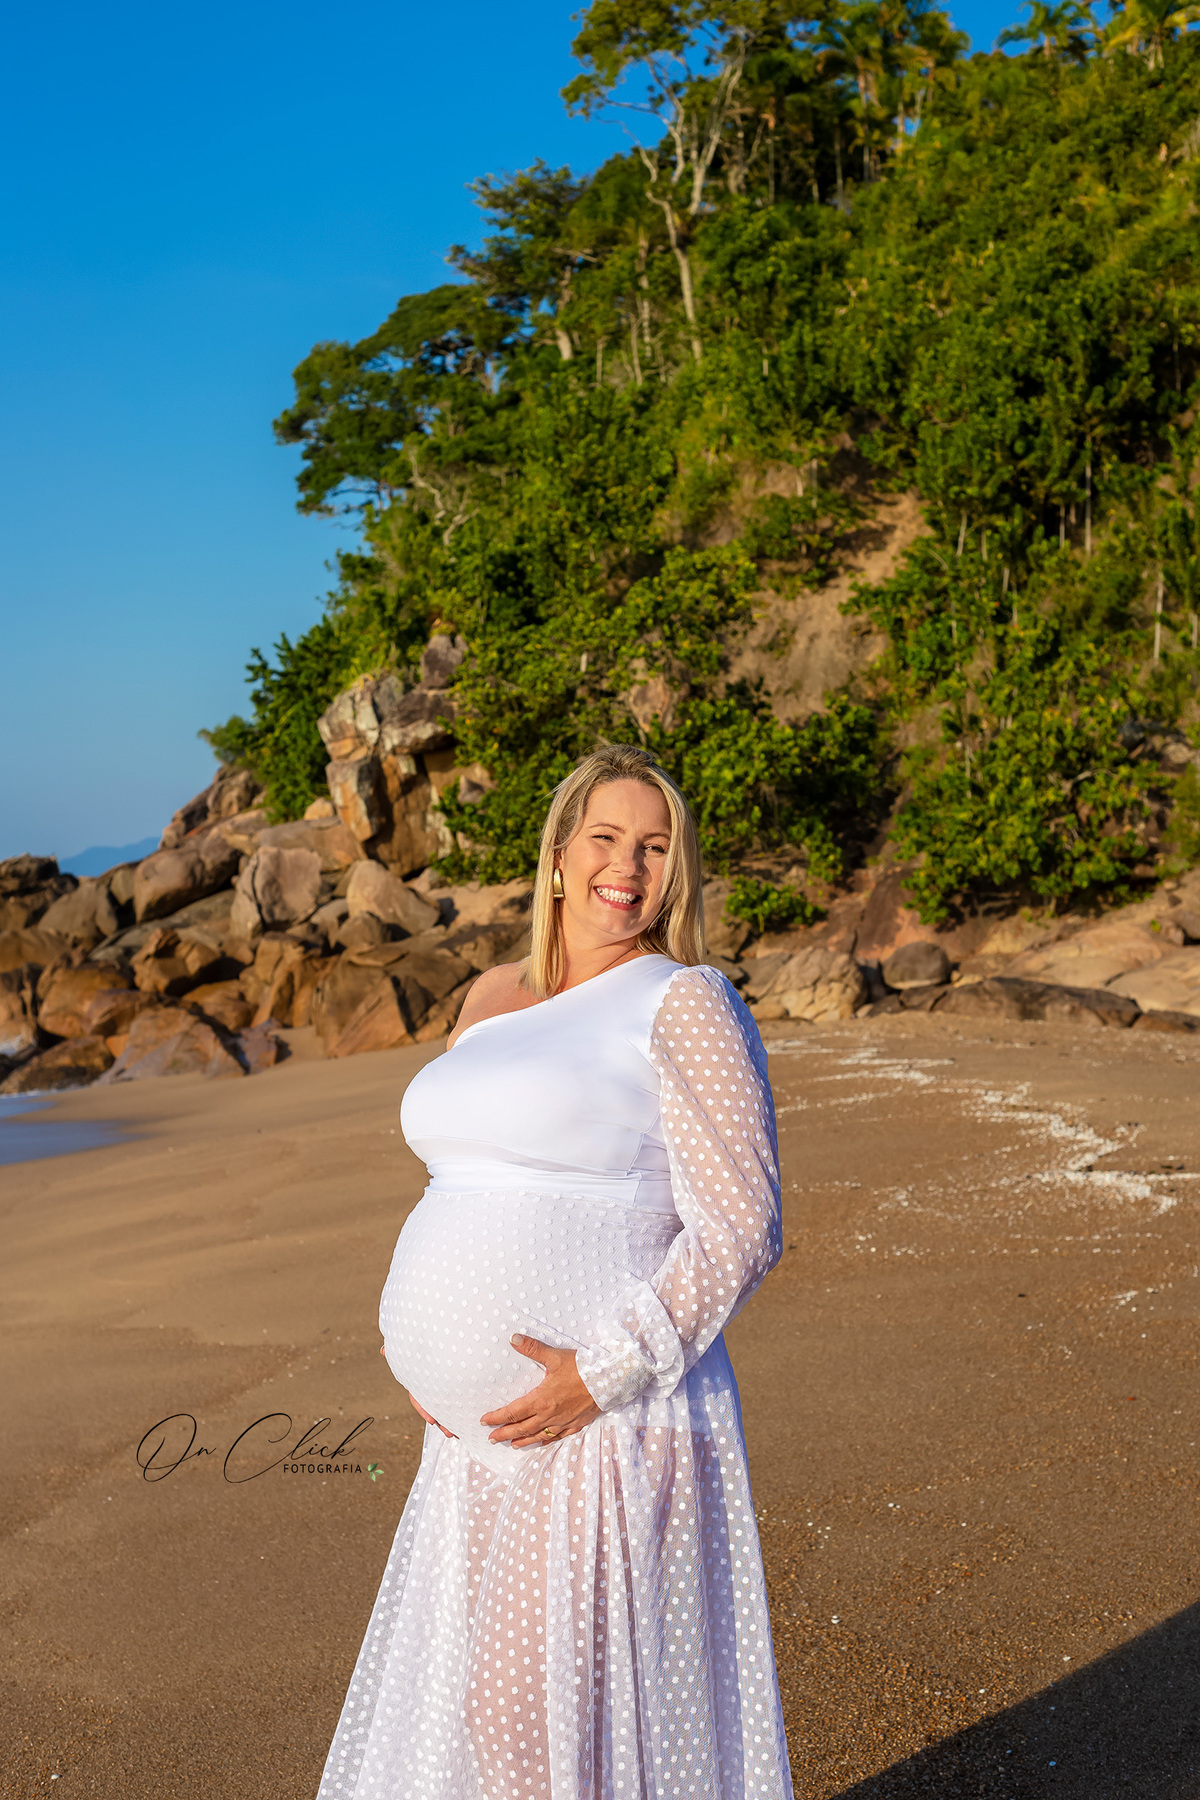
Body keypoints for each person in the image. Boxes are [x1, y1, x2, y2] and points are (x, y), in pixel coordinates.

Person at [316, 744, 792, 1800]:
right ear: (560, 854)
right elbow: (463, 1179)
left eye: (657, 847)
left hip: (601, 1424)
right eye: (607, 839)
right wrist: (421, 1352)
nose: (629, 866)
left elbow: (742, 1228)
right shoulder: (491, 995)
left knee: (525, 1722)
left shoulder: (685, 1000)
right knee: (495, 1729)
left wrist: (603, 1375)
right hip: (476, 1439)